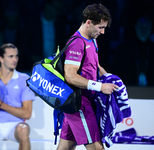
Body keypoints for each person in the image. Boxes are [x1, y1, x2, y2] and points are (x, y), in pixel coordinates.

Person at [56, 3, 118, 150]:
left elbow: (95, 66)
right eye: (100, 27)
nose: (103, 32)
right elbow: (70, 76)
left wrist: (112, 80)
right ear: (89, 22)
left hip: (83, 102)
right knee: (97, 148)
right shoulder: (77, 43)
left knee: (65, 147)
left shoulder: (92, 39)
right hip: (79, 103)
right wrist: (100, 86)